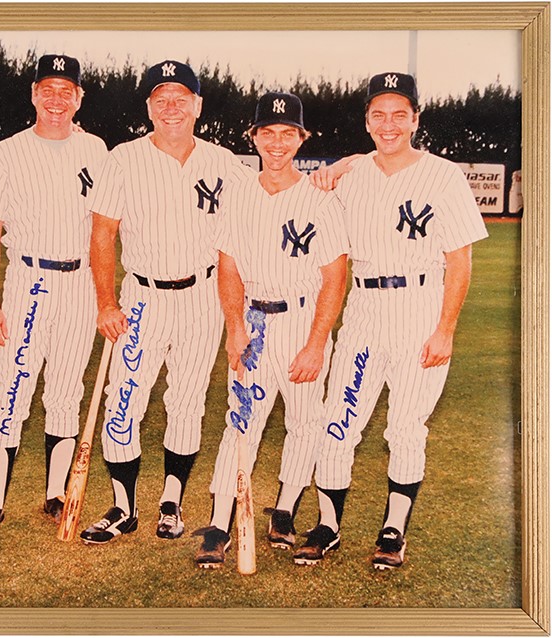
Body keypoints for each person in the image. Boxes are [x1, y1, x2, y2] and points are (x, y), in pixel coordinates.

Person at [293, 72, 488, 569]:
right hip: (363, 309)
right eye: (378, 114)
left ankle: (393, 530)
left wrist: (445, 329)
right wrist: (338, 166)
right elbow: (303, 211)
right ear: (366, 121)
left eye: (400, 113)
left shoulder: (444, 175)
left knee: (405, 428)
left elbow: (459, 262)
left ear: (416, 119)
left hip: (421, 310)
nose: (389, 123)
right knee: (338, 422)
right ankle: (328, 526)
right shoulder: (349, 177)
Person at [80, 60, 249, 545]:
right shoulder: (122, 158)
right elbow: (102, 234)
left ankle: (171, 501)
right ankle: (122, 506)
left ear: (198, 106)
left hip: (203, 297)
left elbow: (244, 235)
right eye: (161, 99)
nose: (171, 107)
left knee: (187, 401)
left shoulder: (225, 164)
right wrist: (106, 303)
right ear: (149, 108)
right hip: (141, 297)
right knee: (123, 401)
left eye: (181, 98)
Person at [193, 92, 349, 568]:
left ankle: (284, 511)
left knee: (304, 423)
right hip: (256, 318)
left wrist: (317, 343)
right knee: (241, 422)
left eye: (288, 134)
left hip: (302, 318)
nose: (277, 143)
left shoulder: (322, 198)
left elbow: (334, 278)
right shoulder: (239, 194)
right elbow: (228, 266)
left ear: (301, 139)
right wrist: (234, 328)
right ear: (254, 137)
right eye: (268, 133)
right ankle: (220, 522)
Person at [0, 54, 108, 541]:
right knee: (13, 387)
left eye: (67, 90)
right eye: (48, 88)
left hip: (80, 283)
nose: (56, 98)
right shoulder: (5, 152)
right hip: (30, 281)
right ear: (33, 95)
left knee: (67, 391)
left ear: (79, 99)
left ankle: (55, 493)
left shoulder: (97, 150)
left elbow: (106, 229)